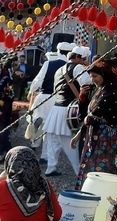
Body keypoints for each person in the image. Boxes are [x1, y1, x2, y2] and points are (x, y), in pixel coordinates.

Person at [73, 61, 117, 190]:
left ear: (104, 74)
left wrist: (85, 125)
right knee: (95, 167)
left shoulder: (114, 90)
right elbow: (87, 115)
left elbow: (93, 115)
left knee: (104, 169)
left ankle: (102, 194)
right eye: (91, 76)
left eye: (95, 76)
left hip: (110, 139)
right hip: (99, 136)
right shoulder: (102, 88)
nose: (92, 79)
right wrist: (82, 97)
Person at [42, 46, 91, 177]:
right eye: (84, 59)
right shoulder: (78, 67)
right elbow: (87, 84)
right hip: (68, 109)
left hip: (56, 108)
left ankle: (51, 168)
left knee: (53, 142)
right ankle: (79, 173)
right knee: (70, 144)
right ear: (79, 58)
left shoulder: (59, 69)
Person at [28, 42, 72, 158]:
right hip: (57, 100)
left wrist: (31, 91)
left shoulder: (48, 63)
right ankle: (45, 155)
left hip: (42, 97)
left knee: (38, 120)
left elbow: (38, 81)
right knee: (50, 128)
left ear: (58, 51)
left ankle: (34, 143)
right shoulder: (69, 66)